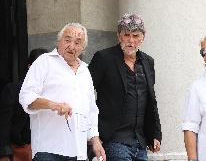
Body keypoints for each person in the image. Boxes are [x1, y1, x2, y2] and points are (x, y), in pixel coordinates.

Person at [19, 23, 105, 161]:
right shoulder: (44, 62)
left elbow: (91, 110)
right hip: (48, 149)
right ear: (58, 41)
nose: (72, 46)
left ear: (83, 48)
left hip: (78, 151)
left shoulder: (85, 71)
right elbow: (26, 96)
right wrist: (53, 105)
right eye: (67, 40)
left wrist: (95, 140)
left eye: (78, 42)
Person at [88, 13, 162, 161]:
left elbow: (151, 100)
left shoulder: (148, 62)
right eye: (126, 35)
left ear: (143, 37)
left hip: (140, 142)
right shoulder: (103, 58)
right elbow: (85, 96)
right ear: (119, 36)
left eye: (135, 36)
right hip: (113, 139)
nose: (131, 40)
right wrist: (94, 135)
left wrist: (155, 133)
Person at [0, 48, 48, 161]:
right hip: (20, 148)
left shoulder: (54, 92)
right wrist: (4, 154)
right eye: (38, 66)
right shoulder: (12, 90)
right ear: (29, 66)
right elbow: (4, 124)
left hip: (47, 148)